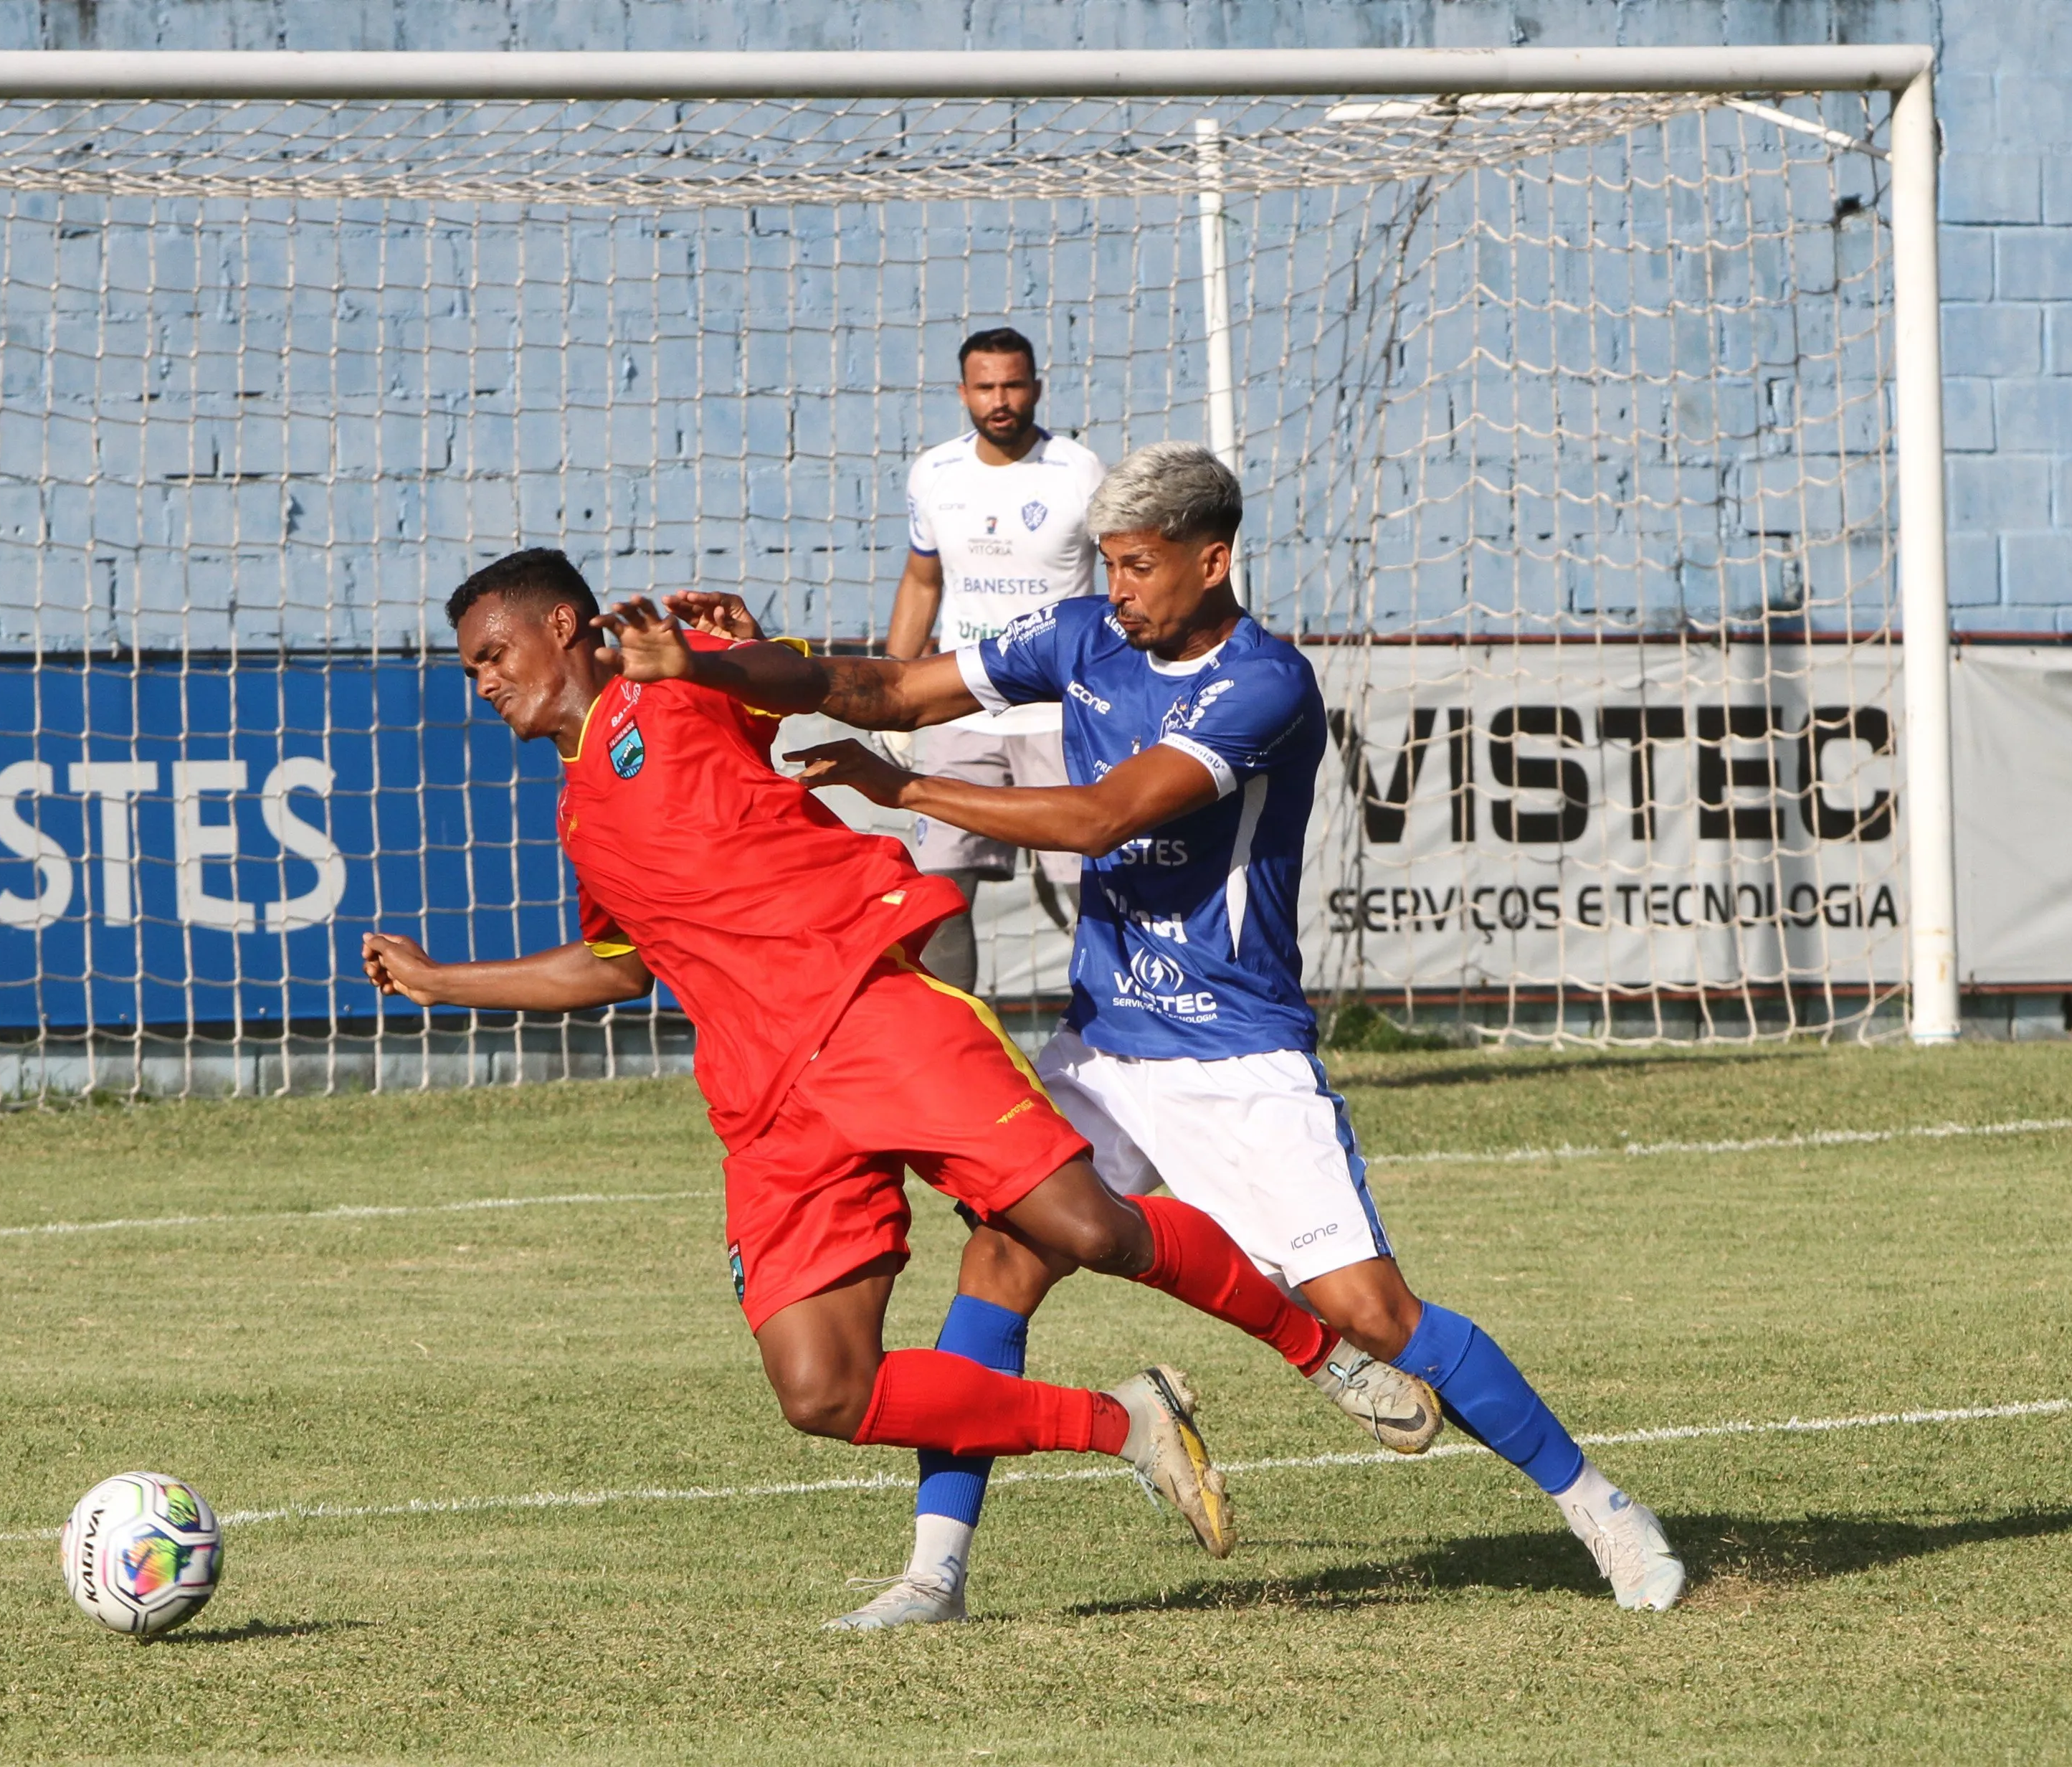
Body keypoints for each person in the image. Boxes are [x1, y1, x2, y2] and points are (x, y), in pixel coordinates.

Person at [597, 442, 1690, 1621]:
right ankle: (933, 1572)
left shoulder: (1262, 685)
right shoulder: (1082, 636)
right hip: (1105, 1046)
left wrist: (903, 790)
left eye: (1135, 566)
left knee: (1373, 1313)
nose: (1115, 589)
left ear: (1209, 558)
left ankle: (1599, 1508)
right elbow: (892, 689)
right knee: (1001, 1259)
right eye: (1107, 565)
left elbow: (1097, 815)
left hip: (1238, 1055)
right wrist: (714, 663)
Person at [361, 546, 1438, 1625]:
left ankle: (1321, 1352)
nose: (485, 679)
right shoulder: (580, 814)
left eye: (492, 653)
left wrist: (719, 649)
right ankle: (1124, 1423)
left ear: (563, 627)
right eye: (469, 670)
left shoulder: (673, 690)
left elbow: (794, 686)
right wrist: (442, 980)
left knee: (1091, 1229)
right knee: (822, 1390)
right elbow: (618, 964)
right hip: (768, 1101)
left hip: (873, 1015)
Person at [888, 327, 1107, 993]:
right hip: (962, 709)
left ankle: (1131, 1041)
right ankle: (956, 1059)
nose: (1000, 400)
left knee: (1093, 894)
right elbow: (923, 582)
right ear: (964, 393)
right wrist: (894, 700)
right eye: (985, 387)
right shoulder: (934, 474)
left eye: (1013, 384)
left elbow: (1129, 577)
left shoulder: (1079, 472)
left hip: (1060, 715)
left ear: (1036, 387)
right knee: (939, 896)